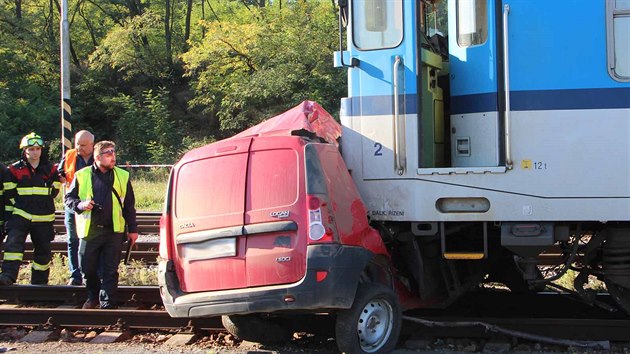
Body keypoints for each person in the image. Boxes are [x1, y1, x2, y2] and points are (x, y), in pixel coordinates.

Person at [65, 141, 138, 309]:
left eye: (113, 152)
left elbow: (129, 205)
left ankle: (107, 303)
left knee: (110, 270)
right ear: (97, 157)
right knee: (87, 267)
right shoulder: (82, 175)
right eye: (108, 153)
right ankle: (93, 296)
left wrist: (133, 229)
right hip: (90, 230)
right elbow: (68, 199)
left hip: (114, 230)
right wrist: (81, 205)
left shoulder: (122, 175)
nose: (112, 156)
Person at [0, 133, 61, 285]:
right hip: (20, 215)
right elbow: (9, 195)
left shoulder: (51, 170)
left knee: (43, 252)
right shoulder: (13, 170)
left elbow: (54, 192)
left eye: (37, 149)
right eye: (31, 149)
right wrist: (9, 218)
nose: (35, 152)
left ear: (41, 150)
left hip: (44, 218)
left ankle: (39, 284)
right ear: (24, 151)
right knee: (13, 247)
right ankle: (7, 276)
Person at [58, 130, 95, 285]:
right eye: (77, 144)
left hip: (93, 205)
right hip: (72, 204)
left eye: (83, 145)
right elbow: (60, 174)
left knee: (92, 240)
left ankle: (91, 274)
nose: (79, 148)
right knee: (73, 240)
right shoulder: (70, 156)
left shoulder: (99, 156)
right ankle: (75, 275)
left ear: (92, 145)